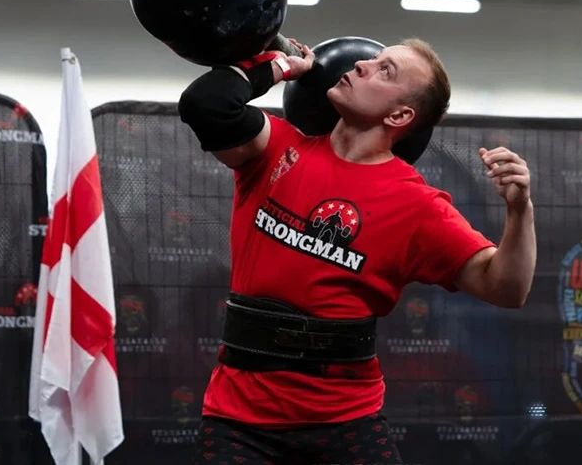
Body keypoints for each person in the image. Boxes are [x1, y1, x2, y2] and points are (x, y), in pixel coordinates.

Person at [178, 37, 538, 465]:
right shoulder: (276, 149)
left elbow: (505, 287)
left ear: (400, 115)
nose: (363, 65)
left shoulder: (416, 206)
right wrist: (277, 66)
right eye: (373, 59)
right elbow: (205, 103)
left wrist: (520, 209)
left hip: (345, 425)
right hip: (237, 422)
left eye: (386, 70)